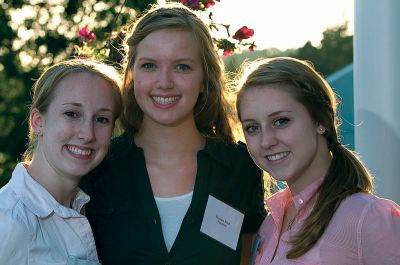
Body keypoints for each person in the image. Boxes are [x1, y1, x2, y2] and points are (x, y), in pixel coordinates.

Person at [81, 2, 267, 265]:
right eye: (149, 66)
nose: (165, 82)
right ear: (132, 74)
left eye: (182, 67)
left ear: (204, 79)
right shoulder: (97, 170)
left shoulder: (240, 167)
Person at [236, 56, 400, 265]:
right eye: (252, 128)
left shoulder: (366, 218)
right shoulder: (269, 224)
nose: (266, 141)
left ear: (320, 120)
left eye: (281, 121)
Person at [0, 59, 122, 264]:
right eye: (72, 114)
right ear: (38, 122)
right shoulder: (8, 221)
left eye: (102, 119)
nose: (88, 134)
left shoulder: (95, 207)